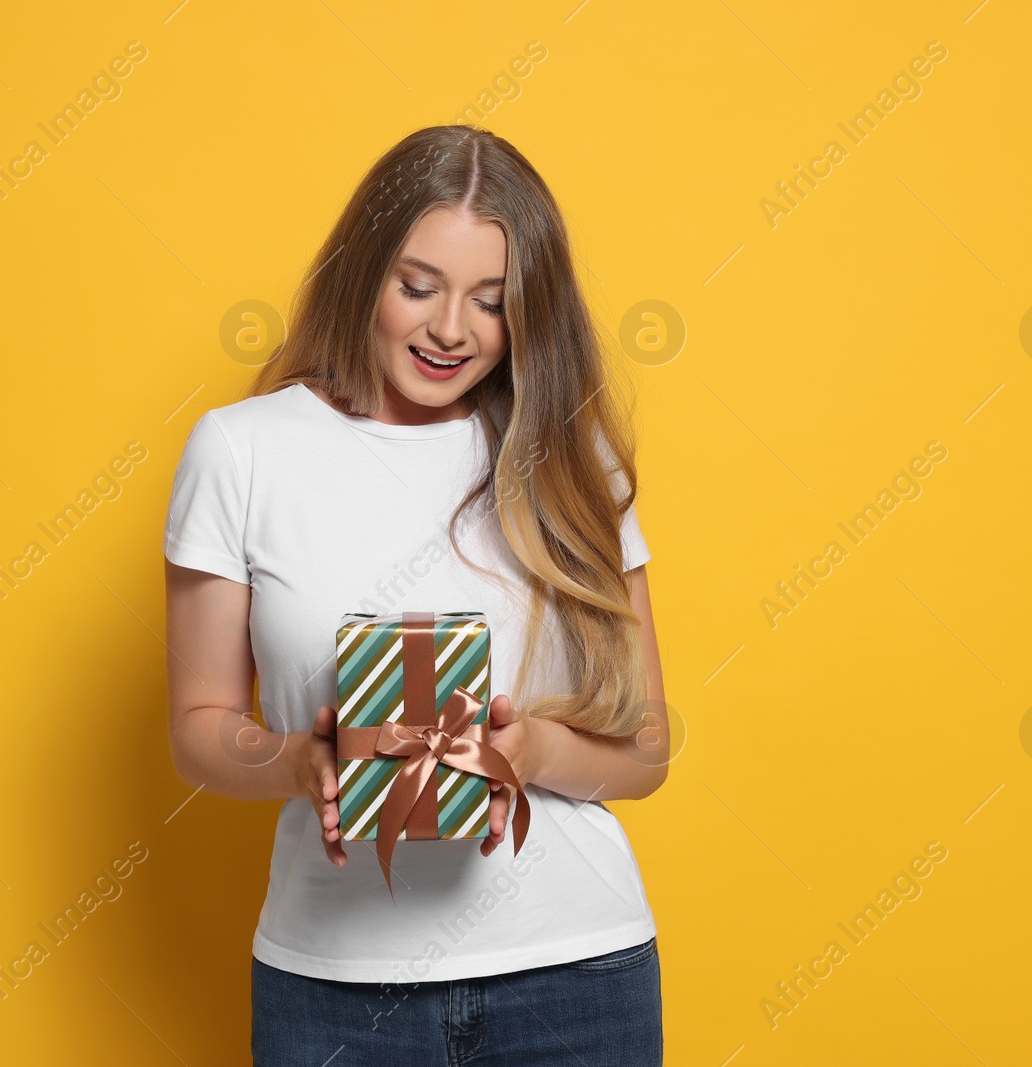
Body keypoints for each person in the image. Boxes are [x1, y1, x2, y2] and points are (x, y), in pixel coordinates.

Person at [163, 124, 669, 1066]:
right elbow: (199, 725)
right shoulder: (241, 451)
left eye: (492, 301)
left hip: (576, 977)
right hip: (333, 991)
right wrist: (297, 759)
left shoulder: (569, 455)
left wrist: (535, 748)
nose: (451, 331)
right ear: (364, 274)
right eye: (418, 286)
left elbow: (647, 749)